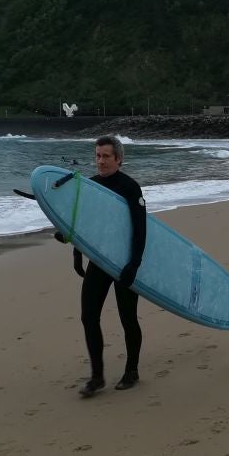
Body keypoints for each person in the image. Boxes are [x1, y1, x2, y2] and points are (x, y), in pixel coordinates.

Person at [72, 136, 146, 398]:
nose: (100, 161)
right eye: (97, 156)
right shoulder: (91, 186)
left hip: (124, 262)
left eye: (106, 156)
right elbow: (85, 225)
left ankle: (132, 371)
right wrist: (76, 253)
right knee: (88, 317)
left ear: (118, 159)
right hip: (100, 261)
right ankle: (97, 376)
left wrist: (134, 264)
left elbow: (140, 230)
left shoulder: (130, 188)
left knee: (128, 318)